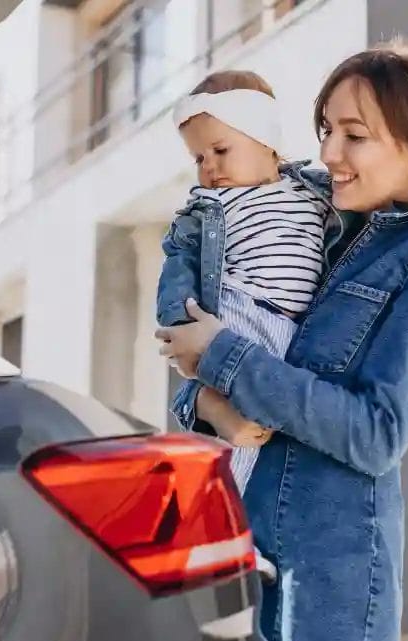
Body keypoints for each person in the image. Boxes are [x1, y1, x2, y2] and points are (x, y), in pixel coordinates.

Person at [156, 38, 408, 641]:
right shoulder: (316, 221)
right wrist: (207, 401)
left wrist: (224, 358)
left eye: (354, 135)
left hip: (330, 573)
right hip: (244, 543)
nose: (329, 154)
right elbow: (211, 356)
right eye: (325, 130)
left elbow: (375, 434)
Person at [157, 69, 344, 493]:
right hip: (240, 311)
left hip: (298, 327)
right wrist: (181, 328)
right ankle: (228, 507)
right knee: (244, 432)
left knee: (278, 424)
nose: (210, 167)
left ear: (267, 141)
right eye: (199, 158)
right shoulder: (204, 209)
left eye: (221, 149)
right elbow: (178, 267)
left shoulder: (316, 192)